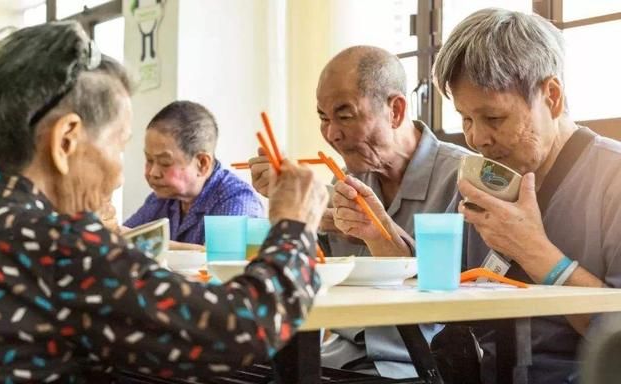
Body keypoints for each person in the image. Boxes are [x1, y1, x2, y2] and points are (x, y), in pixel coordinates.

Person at [0, 21, 328, 382]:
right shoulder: (56, 244)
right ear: (66, 140)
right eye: (119, 145)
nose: (120, 175)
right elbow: (242, 329)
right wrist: (295, 225)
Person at [250, 45, 470, 378]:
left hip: (415, 367)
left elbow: (468, 301)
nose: (331, 134)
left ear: (395, 110)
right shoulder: (350, 179)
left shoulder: (463, 179)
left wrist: (378, 234)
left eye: (345, 115)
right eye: (323, 118)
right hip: (336, 359)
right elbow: (309, 278)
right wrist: (296, 214)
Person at [431, 8, 621, 383]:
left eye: (494, 119)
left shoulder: (612, 178)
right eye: (465, 119)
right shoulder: (484, 176)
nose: (477, 139)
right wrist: (382, 236)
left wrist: (535, 253)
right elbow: (438, 291)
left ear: (551, 95)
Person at [124, 101, 264, 246]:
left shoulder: (237, 201)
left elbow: (220, 262)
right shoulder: (162, 198)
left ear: (202, 163)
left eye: (165, 162)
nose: (153, 173)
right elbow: (127, 238)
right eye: (149, 160)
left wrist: (148, 243)